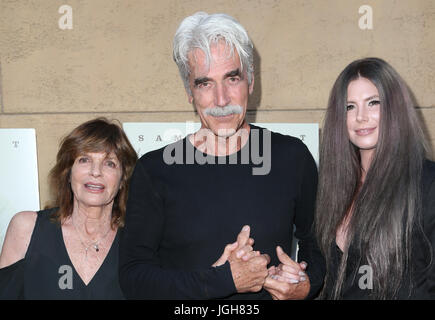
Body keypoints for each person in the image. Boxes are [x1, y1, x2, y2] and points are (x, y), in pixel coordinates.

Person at [119, 12, 325, 300]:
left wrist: (305, 284)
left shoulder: (292, 158)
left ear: (251, 82)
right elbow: (134, 278)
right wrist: (221, 280)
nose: (221, 100)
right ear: (189, 92)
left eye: (232, 78)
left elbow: (317, 246)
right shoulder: (155, 170)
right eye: (204, 83)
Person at [315, 57, 435, 299]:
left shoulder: (427, 183)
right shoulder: (334, 189)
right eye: (350, 106)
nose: (361, 116)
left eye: (373, 103)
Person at [0, 117, 137, 299]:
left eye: (109, 163)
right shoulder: (27, 229)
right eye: (84, 160)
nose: (96, 171)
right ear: (68, 173)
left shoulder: (138, 243)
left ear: (122, 180)